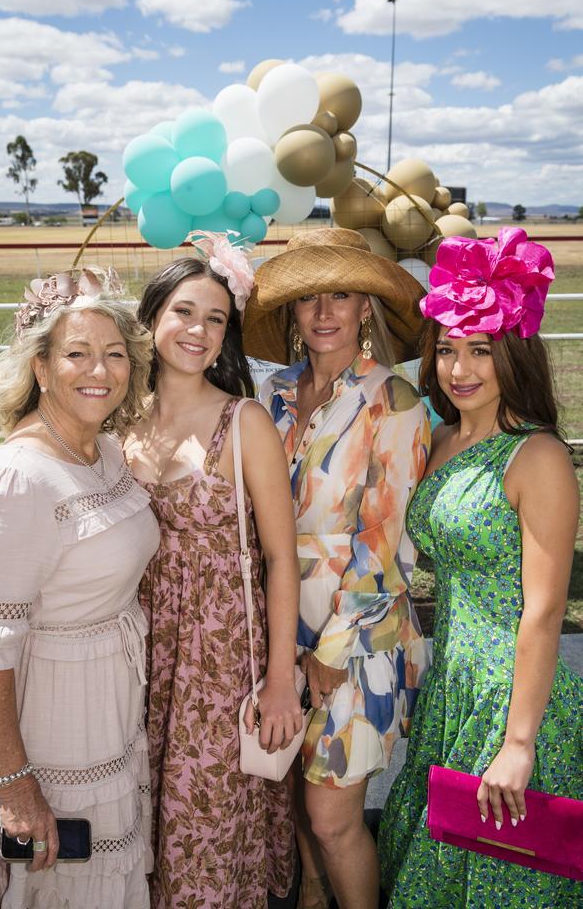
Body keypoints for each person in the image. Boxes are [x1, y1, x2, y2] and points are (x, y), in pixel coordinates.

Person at [0, 268, 158, 908]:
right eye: (78, 353)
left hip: (110, 702)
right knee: (59, 882)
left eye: (115, 354)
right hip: (54, 718)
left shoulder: (105, 450)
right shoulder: (20, 476)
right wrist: (14, 785)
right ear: (40, 367)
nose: (101, 370)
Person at [378, 229, 583, 907]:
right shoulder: (442, 439)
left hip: (513, 697)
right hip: (453, 684)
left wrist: (519, 742)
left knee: (502, 880)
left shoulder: (539, 458)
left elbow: (544, 609)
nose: (458, 369)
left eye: (480, 352)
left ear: (515, 355)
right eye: (446, 350)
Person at [243, 227, 432, 909]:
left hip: (357, 641)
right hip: (276, 631)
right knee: (293, 802)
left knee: (332, 817)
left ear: (364, 310)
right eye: (309, 298)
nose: (324, 312)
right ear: (291, 313)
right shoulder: (273, 398)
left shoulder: (395, 404)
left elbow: (386, 547)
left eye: (342, 296)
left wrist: (329, 651)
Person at [123, 232, 302, 909]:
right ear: (153, 318)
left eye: (216, 318)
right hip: (134, 655)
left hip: (218, 665)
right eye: (184, 312)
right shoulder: (117, 422)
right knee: (137, 827)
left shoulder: (244, 421)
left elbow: (282, 559)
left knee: (205, 834)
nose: (199, 330)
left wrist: (280, 680)